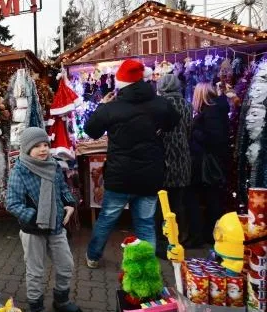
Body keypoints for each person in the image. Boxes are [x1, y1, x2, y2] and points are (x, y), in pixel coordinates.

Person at [84, 59, 180, 269]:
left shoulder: (112, 107)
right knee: (145, 222)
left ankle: (93, 256)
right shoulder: (159, 103)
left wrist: (102, 106)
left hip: (120, 175)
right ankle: (146, 266)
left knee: (107, 219)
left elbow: (91, 130)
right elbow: (174, 121)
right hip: (149, 175)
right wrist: (157, 129)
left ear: (120, 83)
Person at [6, 127, 83, 312]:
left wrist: (69, 204)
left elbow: (63, 189)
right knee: (36, 271)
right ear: (26, 148)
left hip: (56, 226)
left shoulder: (54, 166)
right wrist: (35, 217)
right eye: (37, 146)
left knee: (66, 264)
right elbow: (12, 203)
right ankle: (37, 307)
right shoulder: (20, 171)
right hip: (33, 230)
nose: (42, 150)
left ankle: (61, 300)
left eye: (45, 145)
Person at [186, 82, 230, 247]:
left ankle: (206, 235)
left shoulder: (211, 111)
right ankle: (209, 234)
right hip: (211, 161)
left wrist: (193, 132)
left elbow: (213, 138)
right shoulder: (216, 109)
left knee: (203, 197)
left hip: (207, 163)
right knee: (211, 198)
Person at [155, 74, 193, 255]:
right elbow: (189, 129)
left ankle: (163, 238)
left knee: (162, 202)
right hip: (183, 156)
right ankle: (179, 237)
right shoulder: (187, 105)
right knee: (179, 202)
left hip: (164, 156)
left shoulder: (159, 104)